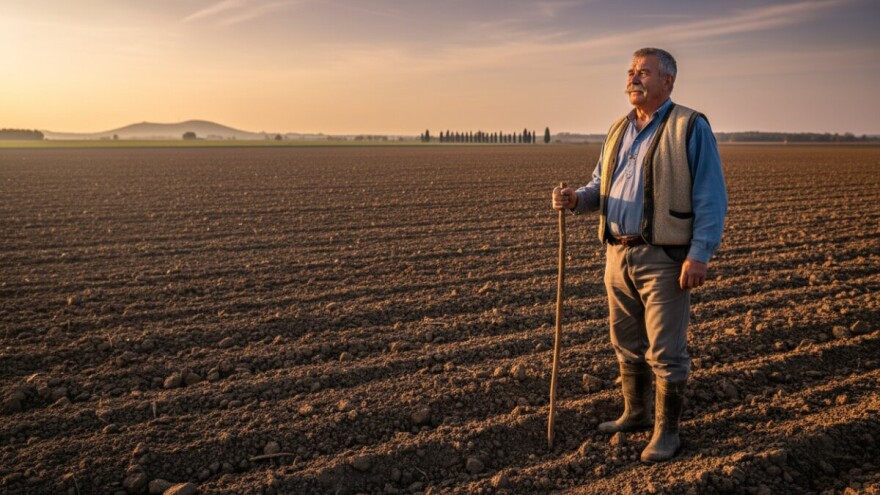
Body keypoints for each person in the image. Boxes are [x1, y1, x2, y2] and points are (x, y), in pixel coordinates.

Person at [551, 47, 727, 463]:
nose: (634, 78)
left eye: (644, 72)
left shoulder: (689, 126)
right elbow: (601, 186)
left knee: (666, 350)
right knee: (626, 342)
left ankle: (667, 433)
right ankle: (635, 412)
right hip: (617, 255)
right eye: (631, 71)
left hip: (663, 257)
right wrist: (576, 198)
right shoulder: (618, 129)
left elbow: (711, 196)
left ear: (668, 81)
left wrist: (699, 254)